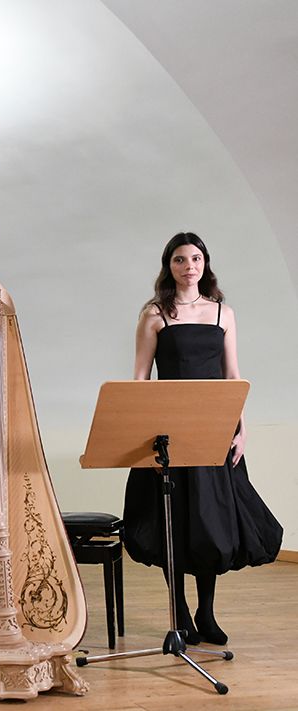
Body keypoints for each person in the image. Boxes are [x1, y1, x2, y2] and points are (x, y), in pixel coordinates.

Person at [123, 232, 282, 645]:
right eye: (180, 259)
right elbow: (140, 379)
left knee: (209, 523)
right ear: (169, 265)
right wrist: (142, 434)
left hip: (214, 429)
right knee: (172, 521)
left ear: (205, 263)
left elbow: (232, 376)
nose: (188, 266)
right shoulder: (155, 314)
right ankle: (178, 611)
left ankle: (205, 613)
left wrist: (242, 429)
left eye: (195, 258)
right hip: (167, 433)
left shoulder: (223, 314)